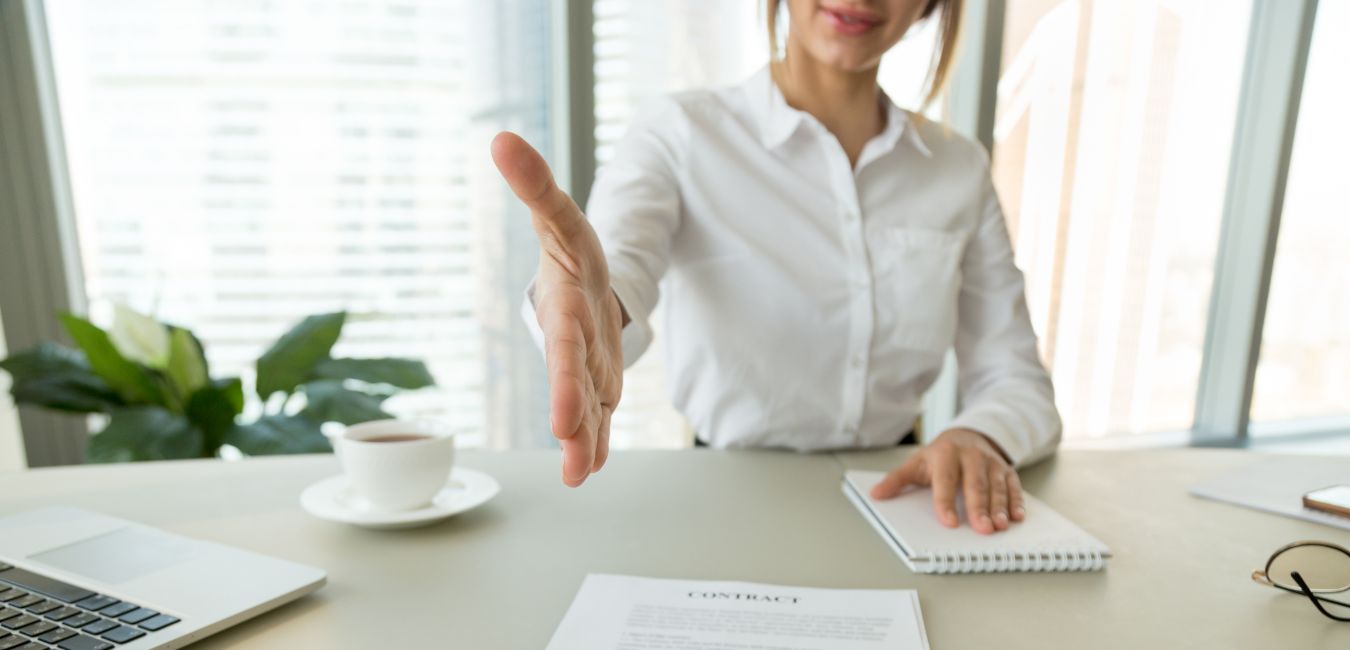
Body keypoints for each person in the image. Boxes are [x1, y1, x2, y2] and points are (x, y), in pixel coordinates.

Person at [490, 0, 1061, 535]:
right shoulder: (679, 131)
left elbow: (1017, 381)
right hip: (724, 504)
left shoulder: (958, 168)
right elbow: (615, 271)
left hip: (903, 505)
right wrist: (586, 309)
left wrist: (979, 435)